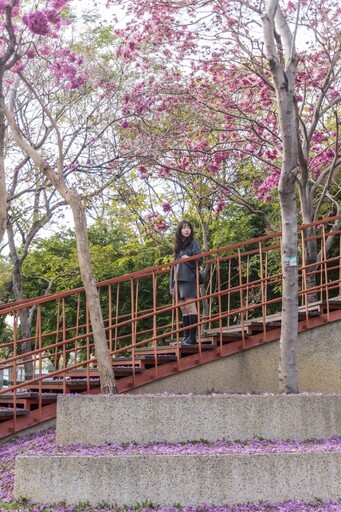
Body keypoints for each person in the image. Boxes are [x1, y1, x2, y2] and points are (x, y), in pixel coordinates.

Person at [170, 220, 203, 346]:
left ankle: (192, 337)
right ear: (180, 230)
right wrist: (171, 284)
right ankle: (186, 336)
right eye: (184, 228)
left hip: (189, 278)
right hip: (177, 280)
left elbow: (200, 260)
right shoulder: (178, 247)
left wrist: (189, 259)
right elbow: (173, 267)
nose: (186, 230)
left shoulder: (193, 243)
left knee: (190, 306)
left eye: (188, 227)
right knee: (183, 309)